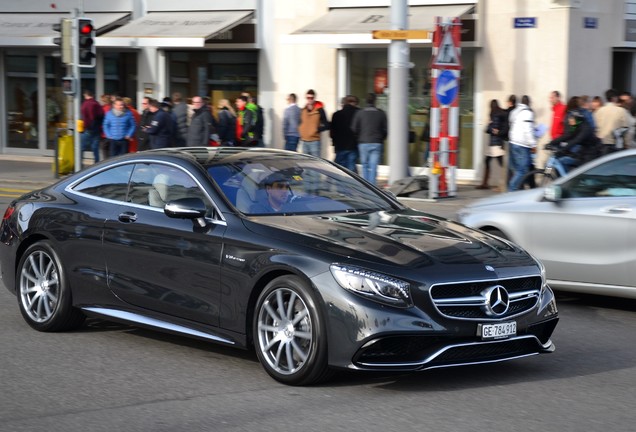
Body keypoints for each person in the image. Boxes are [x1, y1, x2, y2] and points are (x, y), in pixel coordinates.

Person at [546, 103, 600, 172]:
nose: (570, 122)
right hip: (582, 152)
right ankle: (567, 179)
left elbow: (576, 140)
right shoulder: (576, 126)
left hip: (591, 152)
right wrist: (551, 143)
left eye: (571, 119)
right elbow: (567, 135)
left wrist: (562, 149)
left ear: (577, 119)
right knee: (563, 161)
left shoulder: (586, 128)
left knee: (584, 173)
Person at [351, 93, 387, 185]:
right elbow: (385, 129)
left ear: (365, 101)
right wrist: (381, 138)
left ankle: (366, 186)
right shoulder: (381, 113)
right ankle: (373, 186)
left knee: (365, 166)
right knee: (373, 166)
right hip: (376, 142)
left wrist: (359, 137)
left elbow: (354, 128)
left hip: (363, 142)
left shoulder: (360, 113)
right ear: (375, 101)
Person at [507, 95, 536, 191]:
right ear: (528, 103)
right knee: (522, 170)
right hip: (522, 145)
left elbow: (511, 125)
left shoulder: (514, 111)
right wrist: (533, 144)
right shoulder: (527, 113)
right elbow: (527, 130)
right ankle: (512, 189)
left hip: (513, 142)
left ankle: (517, 190)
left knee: (517, 170)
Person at [477, 99, 507, 189]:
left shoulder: (494, 115)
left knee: (500, 163)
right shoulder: (499, 113)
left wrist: (489, 127)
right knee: (490, 161)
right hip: (497, 143)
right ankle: (485, 183)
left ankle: (505, 183)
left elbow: (491, 129)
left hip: (495, 143)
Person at [594, 89, 631, 154]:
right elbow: (626, 129)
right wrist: (627, 143)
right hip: (616, 144)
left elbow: (594, 127)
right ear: (614, 98)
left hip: (601, 143)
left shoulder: (599, 111)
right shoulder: (621, 111)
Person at [330, 95, 359, 172]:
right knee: (351, 169)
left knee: (339, 169)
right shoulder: (357, 113)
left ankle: (339, 183)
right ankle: (351, 184)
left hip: (340, 145)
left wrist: (334, 143)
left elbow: (332, 131)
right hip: (353, 145)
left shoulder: (336, 114)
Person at [298, 89, 329, 157]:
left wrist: (316, 130)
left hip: (314, 141)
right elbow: (300, 122)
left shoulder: (320, 110)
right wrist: (300, 130)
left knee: (315, 163)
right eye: (308, 98)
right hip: (304, 141)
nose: (309, 99)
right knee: (305, 163)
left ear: (314, 98)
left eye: (311, 98)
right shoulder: (303, 110)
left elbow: (327, 125)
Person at [80, 89, 104, 163]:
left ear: (85, 95)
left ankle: (79, 164)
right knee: (95, 148)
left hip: (88, 129)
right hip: (96, 129)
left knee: (81, 147)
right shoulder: (96, 104)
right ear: (92, 95)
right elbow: (101, 115)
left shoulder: (84, 104)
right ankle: (96, 164)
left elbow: (84, 117)